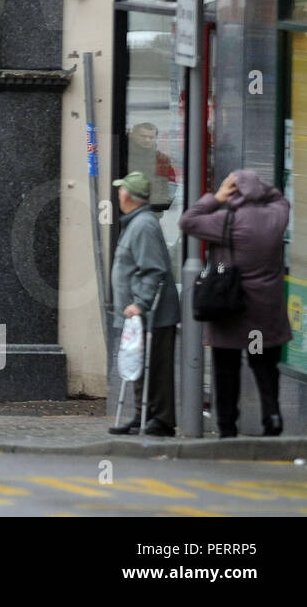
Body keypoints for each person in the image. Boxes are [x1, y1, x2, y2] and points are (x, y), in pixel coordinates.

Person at [180, 170, 291, 437]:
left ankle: (227, 427)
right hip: (264, 312)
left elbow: (188, 221)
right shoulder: (277, 216)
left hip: (230, 309)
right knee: (264, 367)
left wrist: (216, 197)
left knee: (226, 369)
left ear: (233, 191)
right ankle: (272, 418)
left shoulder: (225, 220)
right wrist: (254, 185)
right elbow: (280, 198)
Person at [108, 170, 180, 437]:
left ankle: (161, 420)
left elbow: (154, 269)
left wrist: (140, 303)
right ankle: (143, 415)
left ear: (128, 195)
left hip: (154, 314)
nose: (118, 193)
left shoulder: (144, 225)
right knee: (139, 363)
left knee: (157, 366)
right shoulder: (136, 222)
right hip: (138, 315)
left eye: (120, 189)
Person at [127, 122, 178, 211]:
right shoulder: (124, 156)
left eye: (151, 137)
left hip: (153, 209)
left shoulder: (162, 160)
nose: (147, 140)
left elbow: (170, 187)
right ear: (133, 136)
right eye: (143, 136)